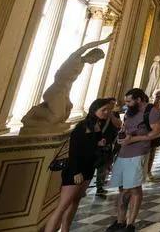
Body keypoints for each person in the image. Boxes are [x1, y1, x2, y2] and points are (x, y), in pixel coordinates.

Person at [44, 98, 112, 232]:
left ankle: (66, 230)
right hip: (76, 170)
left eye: (107, 110)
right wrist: (76, 172)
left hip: (88, 169)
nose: (106, 112)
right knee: (62, 206)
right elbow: (74, 151)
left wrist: (100, 142)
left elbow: (94, 143)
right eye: (103, 110)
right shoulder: (83, 126)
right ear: (94, 110)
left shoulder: (97, 125)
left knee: (75, 202)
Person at [106, 88, 160, 232]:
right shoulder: (129, 113)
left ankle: (131, 224)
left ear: (139, 100)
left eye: (129, 101)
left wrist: (135, 139)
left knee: (134, 187)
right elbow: (124, 128)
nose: (127, 104)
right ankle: (120, 221)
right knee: (122, 188)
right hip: (123, 152)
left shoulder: (152, 112)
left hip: (138, 153)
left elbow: (157, 132)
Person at [95, 98, 122, 196]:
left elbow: (119, 124)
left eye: (113, 104)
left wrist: (111, 117)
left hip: (108, 144)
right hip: (97, 144)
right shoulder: (99, 115)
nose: (112, 106)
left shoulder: (114, 114)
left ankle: (99, 186)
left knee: (103, 166)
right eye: (110, 103)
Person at [145, 89, 160, 181]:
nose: (158, 96)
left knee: (153, 152)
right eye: (156, 95)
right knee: (145, 152)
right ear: (153, 95)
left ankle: (149, 171)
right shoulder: (148, 106)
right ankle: (143, 171)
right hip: (147, 131)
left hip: (157, 132)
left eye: (159, 95)